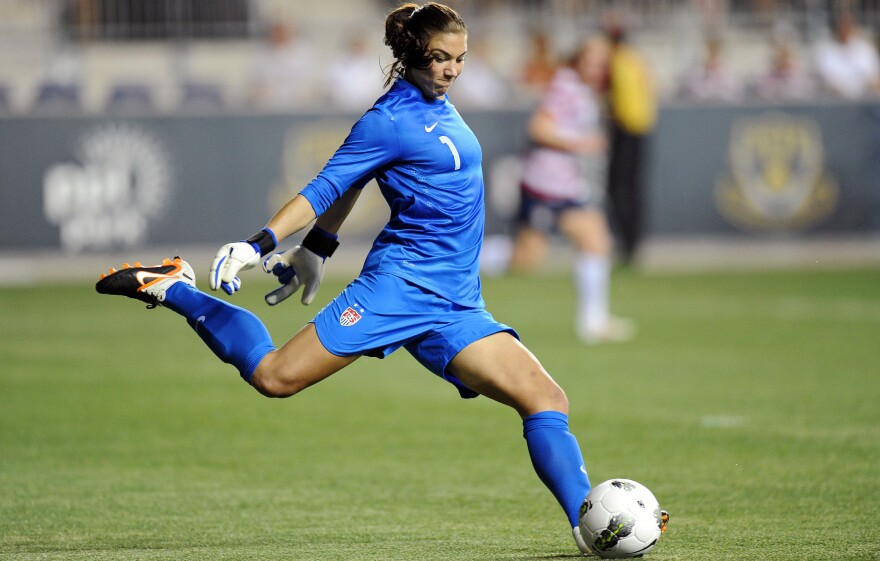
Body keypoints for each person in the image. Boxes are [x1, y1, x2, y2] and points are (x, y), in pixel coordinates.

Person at [95, 3, 607, 555]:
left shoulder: (439, 102)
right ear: (412, 55)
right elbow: (324, 185)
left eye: (460, 58)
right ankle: (175, 287)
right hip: (399, 290)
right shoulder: (387, 120)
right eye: (440, 58)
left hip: (458, 303)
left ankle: (589, 529)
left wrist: (318, 247)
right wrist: (258, 243)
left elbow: (357, 185)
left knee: (546, 399)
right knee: (274, 377)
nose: (452, 70)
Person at [509, 36, 634, 345]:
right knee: (523, 260)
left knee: (595, 240)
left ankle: (593, 322)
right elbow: (539, 127)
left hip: (566, 185)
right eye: (591, 60)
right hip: (548, 184)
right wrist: (581, 144)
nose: (597, 67)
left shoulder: (583, 90)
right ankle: (458, 254)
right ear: (578, 59)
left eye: (602, 62)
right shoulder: (565, 87)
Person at [603, 17, 657, 265]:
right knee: (632, 189)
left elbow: (610, 96)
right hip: (642, 127)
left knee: (619, 189)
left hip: (625, 129)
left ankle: (628, 244)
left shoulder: (616, 60)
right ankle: (633, 243)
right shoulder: (634, 58)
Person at [813, 11, 880, 100]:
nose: (844, 30)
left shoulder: (865, 49)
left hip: (865, 100)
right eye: (842, 27)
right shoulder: (826, 51)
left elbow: (874, 76)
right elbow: (826, 78)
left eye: (847, 26)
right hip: (836, 100)